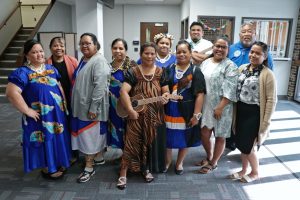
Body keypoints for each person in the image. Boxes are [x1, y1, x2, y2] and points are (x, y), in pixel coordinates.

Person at [6, 39, 71, 179]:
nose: (39, 54)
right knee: (44, 138)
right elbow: (11, 93)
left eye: (41, 51)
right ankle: (49, 168)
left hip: (57, 113)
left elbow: (59, 88)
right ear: (27, 55)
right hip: (39, 115)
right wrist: (27, 110)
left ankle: (58, 162)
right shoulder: (22, 72)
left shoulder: (51, 68)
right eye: (34, 52)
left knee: (57, 137)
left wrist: (64, 106)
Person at [116, 42, 169, 190]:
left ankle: (145, 169)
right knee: (131, 142)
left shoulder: (161, 72)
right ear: (141, 54)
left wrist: (165, 97)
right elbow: (123, 92)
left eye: (153, 53)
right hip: (136, 114)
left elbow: (165, 91)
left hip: (154, 115)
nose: (150, 56)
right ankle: (123, 172)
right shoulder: (133, 72)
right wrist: (130, 111)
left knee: (148, 142)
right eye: (147, 53)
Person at [228, 41, 277, 183]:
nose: (253, 55)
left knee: (249, 146)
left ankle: (255, 172)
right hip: (241, 111)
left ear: (265, 56)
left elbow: (271, 100)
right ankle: (244, 170)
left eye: (258, 53)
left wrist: (266, 123)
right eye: (252, 52)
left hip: (254, 114)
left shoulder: (268, 74)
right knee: (241, 144)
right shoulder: (243, 68)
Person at [227, 22, 274, 151]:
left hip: (255, 107)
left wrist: (266, 121)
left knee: (250, 142)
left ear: (255, 34)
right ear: (239, 34)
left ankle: (250, 160)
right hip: (237, 101)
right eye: (244, 31)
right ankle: (239, 148)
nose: (247, 34)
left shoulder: (264, 53)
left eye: (250, 31)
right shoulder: (231, 49)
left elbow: (269, 88)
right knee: (236, 132)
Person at [71, 33, 111, 183]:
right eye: (82, 43)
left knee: (89, 137)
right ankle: (99, 158)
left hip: (91, 110)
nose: (84, 46)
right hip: (82, 107)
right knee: (90, 136)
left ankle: (89, 166)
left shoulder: (99, 61)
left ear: (96, 45)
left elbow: (100, 87)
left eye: (88, 43)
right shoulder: (84, 60)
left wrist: (93, 108)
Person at [197, 36, 239, 174]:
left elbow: (230, 88)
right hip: (206, 105)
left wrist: (220, 107)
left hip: (222, 107)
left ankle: (214, 163)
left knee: (220, 136)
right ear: (213, 47)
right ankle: (209, 156)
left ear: (228, 49)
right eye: (217, 46)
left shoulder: (231, 66)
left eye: (223, 47)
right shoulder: (206, 62)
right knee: (204, 134)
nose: (220, 49)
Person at [164, 40, 206, 175]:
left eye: (184, 52)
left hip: (186, 111)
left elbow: (200, 95)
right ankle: (167, 161)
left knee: (185, 137)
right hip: (169, 109)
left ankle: (179, 162)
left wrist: (196, 115)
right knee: (168, 137)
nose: (181, 54)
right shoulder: (169, 68)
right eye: (178, 52)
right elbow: (164, 85)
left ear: (190, 53)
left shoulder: (195, 71)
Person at [108, 38, 137, 149]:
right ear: (111, 50)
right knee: (117, 130)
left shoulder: (132, 66)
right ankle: (123, 155)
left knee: (128, 130)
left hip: (127, 104)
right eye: (115, 48)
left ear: (126, 50)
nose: (118, 51)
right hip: (112, 105)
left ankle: (129, 157)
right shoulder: (108, 66)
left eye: (121, 48)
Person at [46, 37, 78, 111]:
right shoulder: (46, 64)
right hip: (55, 98)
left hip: (71, 96)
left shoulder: (73, 61)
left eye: (62, 46)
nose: (59, 48)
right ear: (50, 48)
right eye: (55, 46)